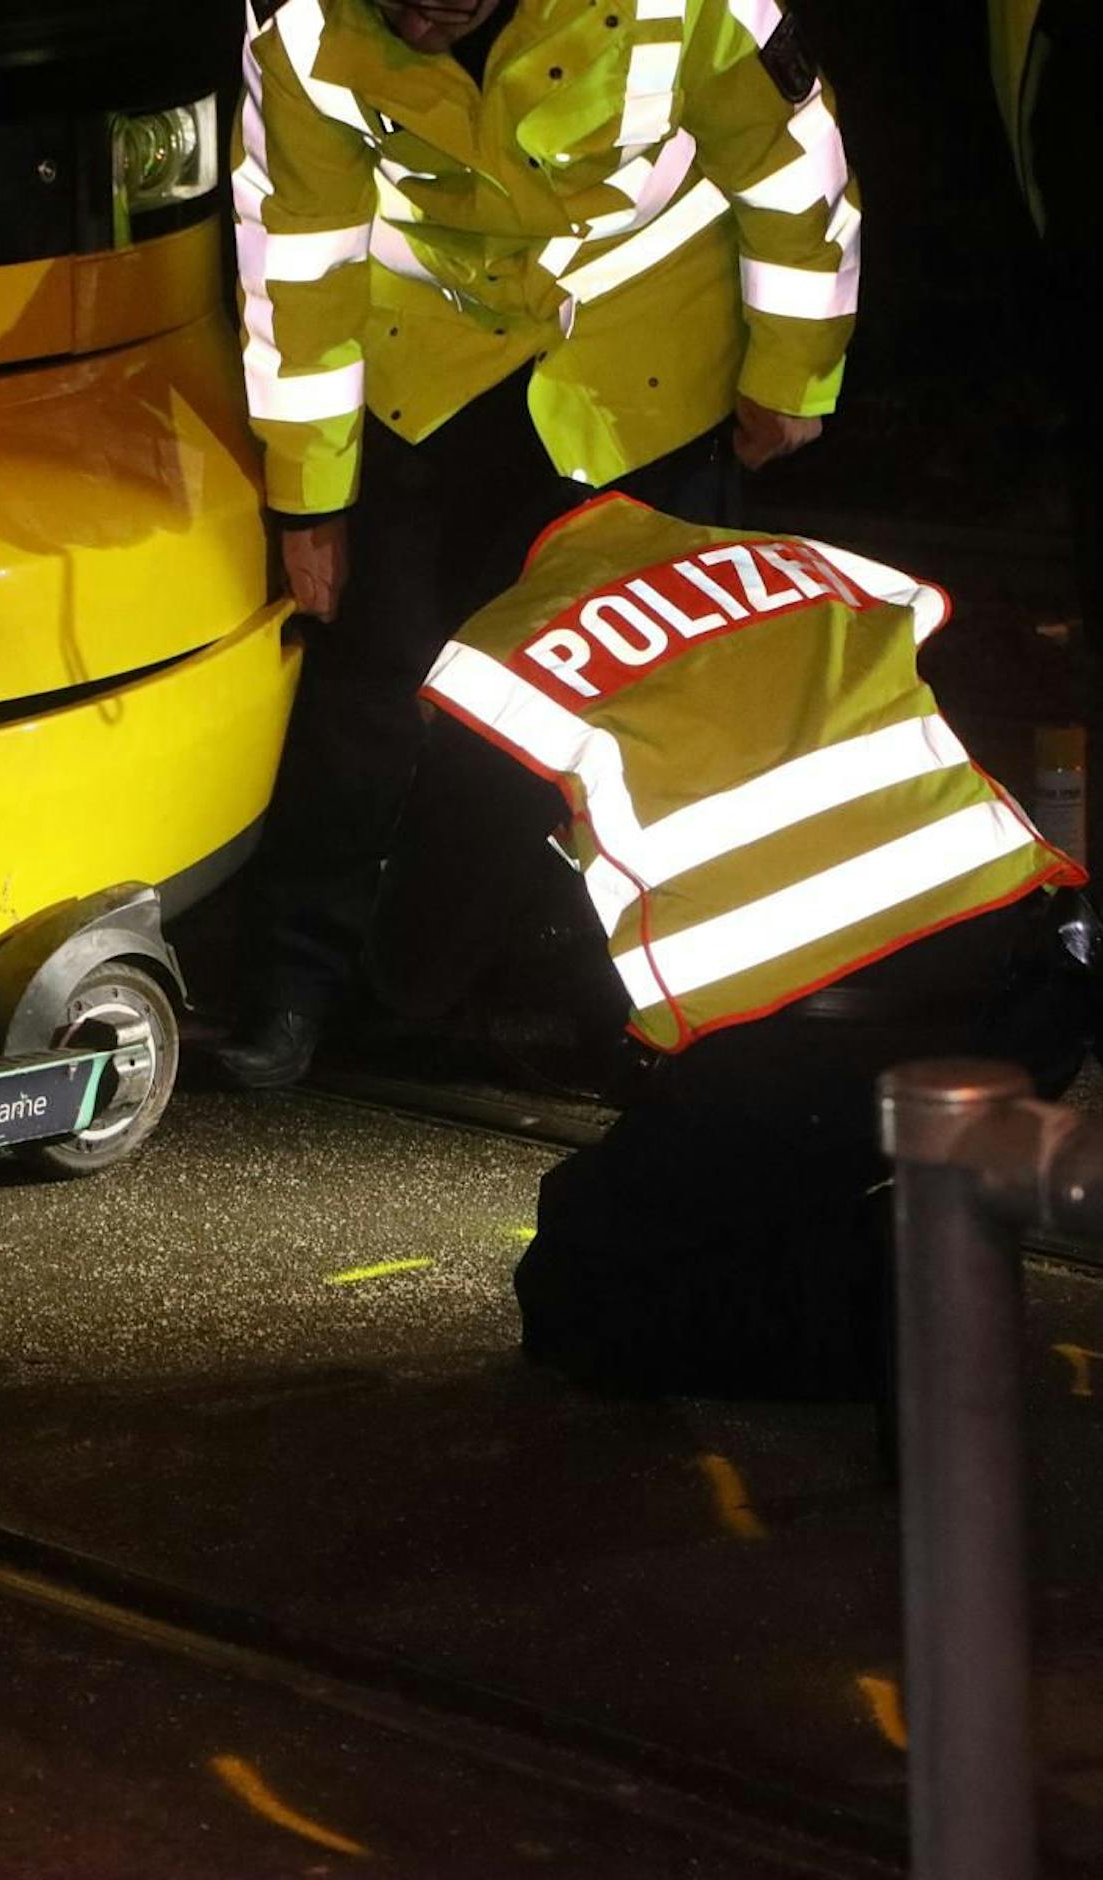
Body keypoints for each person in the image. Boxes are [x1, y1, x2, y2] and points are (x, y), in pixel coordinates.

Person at [215, 0, 861, 1087]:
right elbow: (295, 252)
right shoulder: (298, 19)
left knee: (642, 708)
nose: (420, 21)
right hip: (432, 369)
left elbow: (792, 162)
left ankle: (621, 996)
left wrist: (791, 374)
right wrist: (308, 499)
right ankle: (296, 987)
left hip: (642, 375)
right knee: (369, 689)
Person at [419, 493, 1089, 1399]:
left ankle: (889, 1316)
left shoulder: (512, 648)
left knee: (579, 1289)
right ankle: (902, 1232)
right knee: (762, 1186)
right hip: (1030, 1002)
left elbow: (428, 948)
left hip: (816, 1058)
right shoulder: (799, 561)